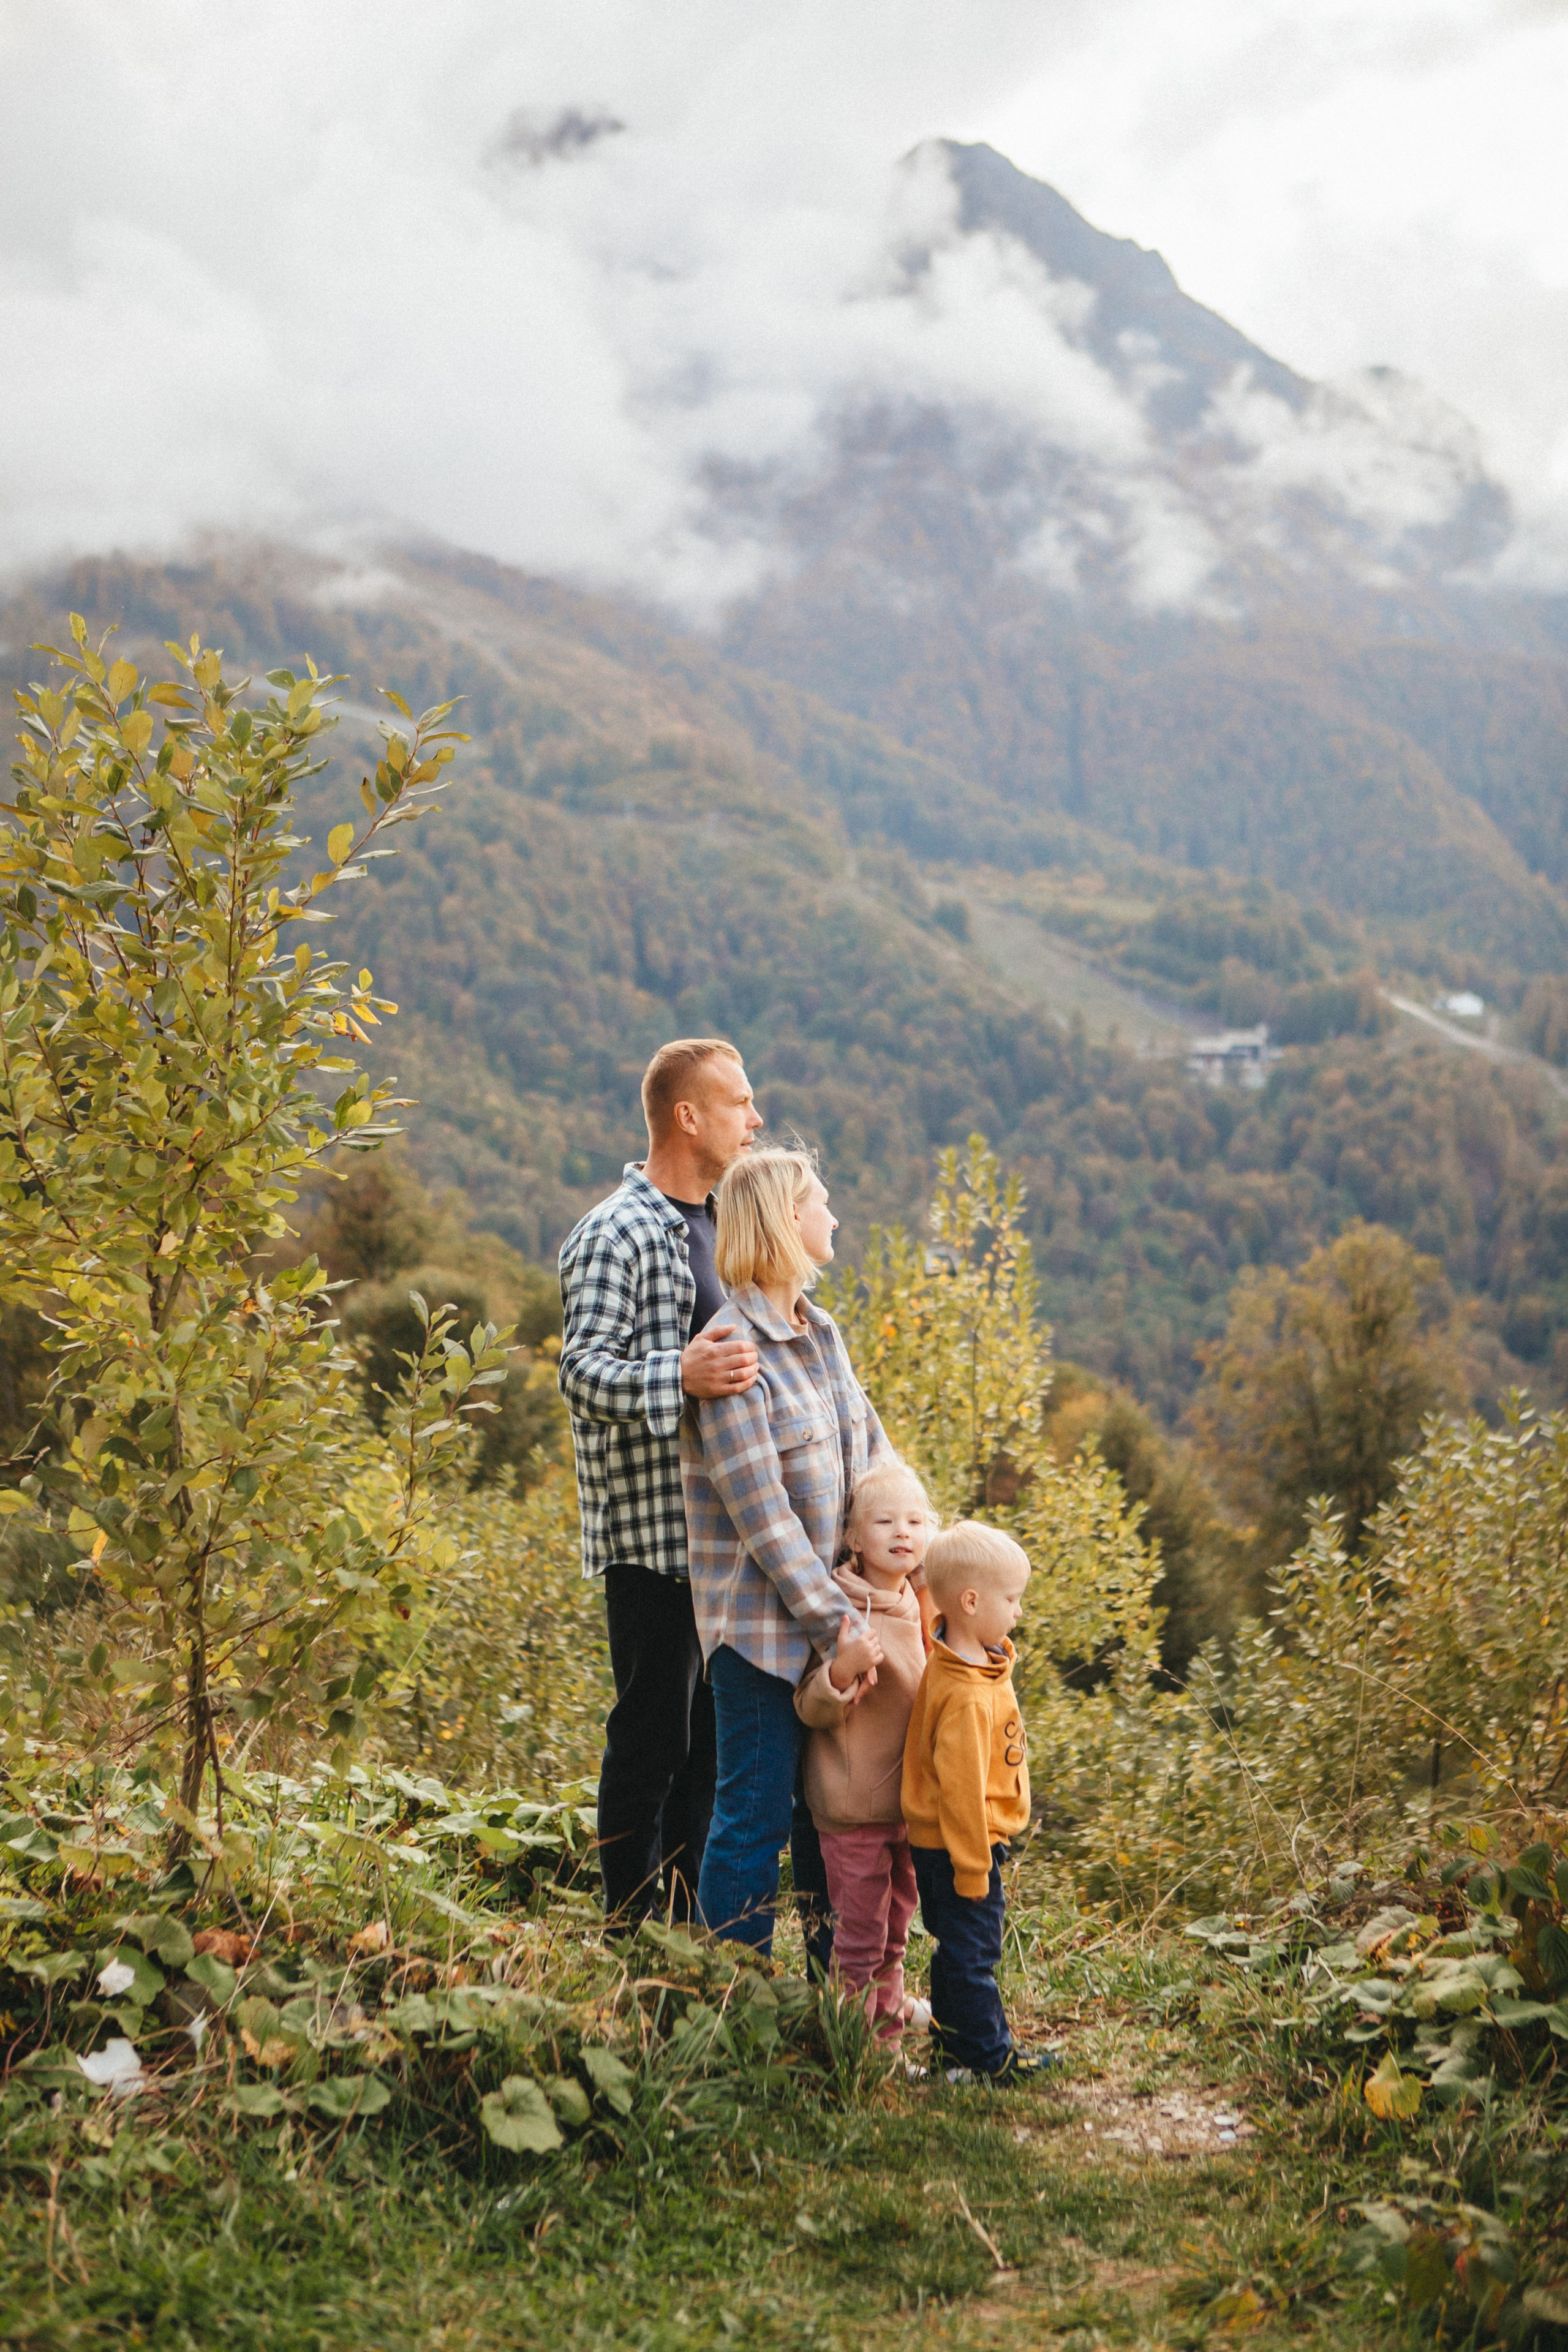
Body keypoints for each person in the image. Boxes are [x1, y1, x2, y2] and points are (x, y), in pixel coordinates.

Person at [558, 1038, 763, 1930]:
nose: (755, 1118)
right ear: (688, 1116)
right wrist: (675, 1376)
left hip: (724, 1542)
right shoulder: (616, 1231)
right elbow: (580, 1372)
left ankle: (688, 1935)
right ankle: (627, 1927)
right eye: (739, 1102)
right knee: (652, 1738)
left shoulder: (725, 1226)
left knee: (714, 1751)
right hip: (649, 1539)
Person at [681, 1146, 889, 1956]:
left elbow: (874, 1453)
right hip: (764, 1640)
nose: (832, 1217)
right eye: (820, 1202)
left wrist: (927, 1555)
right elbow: (765, 1523)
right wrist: (840, 1626)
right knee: (755, 1819)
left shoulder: (821, 1332)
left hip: (833, 1628)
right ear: (781, 1221)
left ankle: (833, 2000)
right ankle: (726, 1999)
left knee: (828, 1818)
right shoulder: (734, 1348)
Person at [900, 1520, 1053, 2083]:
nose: (1017, 1613)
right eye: (1011, 1600)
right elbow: (961, 1795)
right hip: (965, 1847)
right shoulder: (964, 1694)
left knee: (956, 1952)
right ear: (971, 1601)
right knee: (973, 1957)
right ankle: (991, 2061)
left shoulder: (972, 1663)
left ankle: (953, 2056)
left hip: (963, 1844)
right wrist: (974, 1868)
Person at [793, 1457, 934, 2041]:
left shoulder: (919, 1604)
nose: (903, 1533)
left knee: (898, 1926)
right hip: (853, 1809)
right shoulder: (839, 1609)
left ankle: (888, 2009)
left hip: (907, 1804)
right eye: (884, 1523)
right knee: (859, 1935)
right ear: (853, 1537)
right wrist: (842, 1674)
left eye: (915, 1521)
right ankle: (856, 2041)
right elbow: (808, 1706)